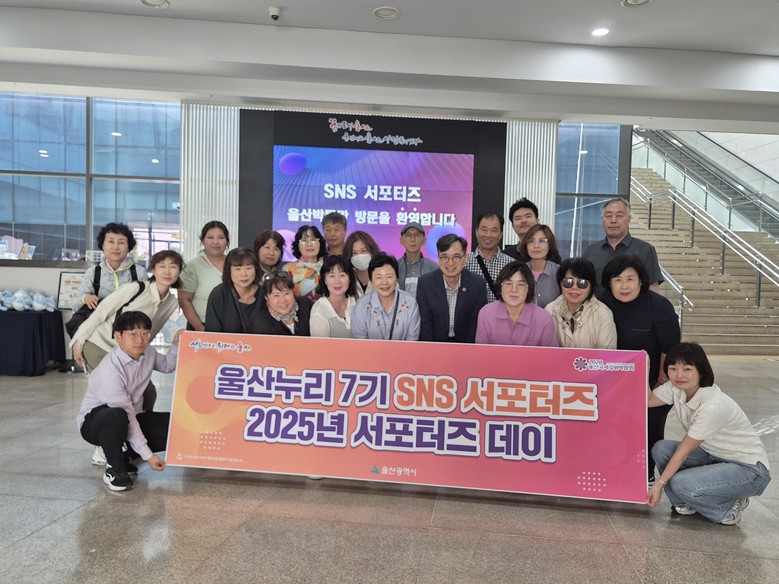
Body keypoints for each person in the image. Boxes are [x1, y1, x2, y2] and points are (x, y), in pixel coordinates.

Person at [646, 343, 771, 525]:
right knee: (661, 449)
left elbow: (683, 452)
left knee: (681, 483)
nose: (679, 375)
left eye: (687, 369)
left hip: (748, 468)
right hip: (712, 455)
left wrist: (659, 485)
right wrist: (644, 367)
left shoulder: (712, 405)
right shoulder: (676, 389)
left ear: (701, 371)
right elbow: (646, 400)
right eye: (673, 368)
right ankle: (684, 502)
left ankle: (728, 506)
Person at [77, 311, 181, 492]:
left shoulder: (148, 353)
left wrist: (176, 344)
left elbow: (167, 366)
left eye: (145, 333)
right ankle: (114, 469)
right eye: (133, 334)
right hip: (95, 424)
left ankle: (124, 453)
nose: (140, 340)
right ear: (118, 336)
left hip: (129, 417)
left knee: (175, 426)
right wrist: (149, 457)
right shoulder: (110, 371)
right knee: (117, 416)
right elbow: (127, 415)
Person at [602, 254, 680, 483]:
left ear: (641, 281)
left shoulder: (659, 307)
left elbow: (670, 348)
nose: (624, 286)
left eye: (630, 279)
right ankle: (617, 473)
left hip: (654, 382)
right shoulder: (603, 303)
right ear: (609, 283)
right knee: (616, 430)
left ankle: (647, 476)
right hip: (614, 384)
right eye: (617, 280)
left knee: (649, 429)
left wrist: (661, 381)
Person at [70, 249, 183, 375]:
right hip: (100, 347)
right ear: (153, 270)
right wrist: (78, 342)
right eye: (162, 266)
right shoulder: (136, 288)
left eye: (173, 267)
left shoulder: (172, 302)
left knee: (142, 387)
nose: (167, 272)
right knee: (111, 386)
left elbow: (151, 332)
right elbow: (100, 313)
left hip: (127, 354)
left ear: (179, 271)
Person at [416, 234, 487, 343]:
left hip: (466, 345)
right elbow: (425, 324)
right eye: (444, 257)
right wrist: (430, 350)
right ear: (438, 258)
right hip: (435, 344)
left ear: (465, 258)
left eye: (456, 257)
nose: (450, 263)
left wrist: (468, 350)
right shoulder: (425, 283)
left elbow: (475, 324)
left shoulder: (477, 284)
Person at [583, 197, 663, 291]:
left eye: (619, 216)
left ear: (629, 219)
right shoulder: (590, 251)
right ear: (602, 220)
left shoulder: (645, 250)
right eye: (608, 216)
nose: (613, 220)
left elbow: (652, 289)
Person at [475, 261, 558, 347]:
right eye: (508, 283)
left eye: (521, 284)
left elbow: (550, 354)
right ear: (500, 287)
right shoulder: (486, 313)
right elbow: (481, 352)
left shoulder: (543, 319)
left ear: (529, 288)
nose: (514, 290)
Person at [71, 222, 147, 314]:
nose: (115, 247)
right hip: (99, 322)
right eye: (111, 241)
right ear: (103, 245)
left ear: (128, 247)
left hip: (130, 322)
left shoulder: (140, 272)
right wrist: (85, 298)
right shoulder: (93, 272)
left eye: (121, 242)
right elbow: (74, 303)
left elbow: (147, 303)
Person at [545, 258, 617, 349]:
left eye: (582, 283)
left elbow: (607, 354)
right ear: (560, 284)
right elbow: (545, 351)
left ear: (591, 286)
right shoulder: (549, 310)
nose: (574, 288)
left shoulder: (603, 314)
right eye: (569, 282)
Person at [351, 253, 420, 341]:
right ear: (371, 280)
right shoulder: (362, 305)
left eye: (389, 276)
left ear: (397, 278)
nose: (384, 282)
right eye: (378, 277)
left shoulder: (410, 303)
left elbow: (412, 340)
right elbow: (359, 341)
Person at [178, 221, 229, 331]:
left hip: (231, 327)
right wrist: (200, 328)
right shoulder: (192, 266)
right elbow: (184, 300)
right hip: (201, 326)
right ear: (203, 241)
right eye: (210, 237)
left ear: (227, 241)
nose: (216, 242)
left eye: (221, 237)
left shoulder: (235, 264)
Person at [205, 247, 264, 334]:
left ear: (256, 269)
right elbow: (212, 332)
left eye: (248, 268)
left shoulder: (265, 294)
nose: (244, 274)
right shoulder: (219, 294)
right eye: (238, 269)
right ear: (229, 271)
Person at [465, 212, 515, 303]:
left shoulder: (511, 264)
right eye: (484, 229)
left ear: (501, 234)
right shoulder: (464, 262)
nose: (488, 235)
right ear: (476, 232)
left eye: (494, 230)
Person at [310, 254, 357, 338]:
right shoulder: (319, 310)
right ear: (325, 280)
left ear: (350, 279)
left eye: (342, 275)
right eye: (332, 276)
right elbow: (320, 345)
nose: (337, 281)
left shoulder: (358, 301)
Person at [504, 198, 562, 263]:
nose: (523, 221)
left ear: (537, 221)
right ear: (513, 226)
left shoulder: (550, 253)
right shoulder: (506, 255)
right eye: (518, 218)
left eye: (528, 216)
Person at [520, 224, 560, 309]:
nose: (536, 246)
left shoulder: (559, 272)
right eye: (531, 241)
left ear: (549, 245)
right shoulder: (519, 272)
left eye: (542, 241)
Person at [284, 225, 327, 301]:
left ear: (320, 243)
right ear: (298, 245)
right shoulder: (288, 269)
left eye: (313, 240)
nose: (309, 244)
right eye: (304, 241)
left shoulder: (328, 266)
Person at [397, 221, 438, 298]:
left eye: (417, 235)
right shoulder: (395, 267)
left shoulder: (434, 268)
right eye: (408, 235)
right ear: (401, 240)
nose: (412, 239)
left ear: (424, 240)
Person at [343, 230, 381, 298]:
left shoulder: (384, 276)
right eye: (354, 253)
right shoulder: (345, 279)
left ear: (372, 250)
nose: (359, 256)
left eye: (363, 251)